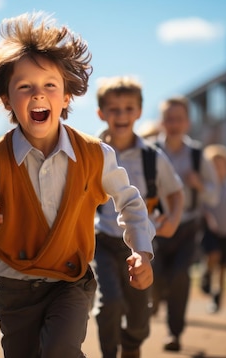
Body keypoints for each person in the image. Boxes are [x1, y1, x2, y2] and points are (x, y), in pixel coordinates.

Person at [0, 12, 155, 358]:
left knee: (60, 351)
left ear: (66, 97)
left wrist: (141, 251)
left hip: (70, 283)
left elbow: (129, 202)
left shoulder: (95, 155)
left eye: (50, 85)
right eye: (25, 87)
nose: (39, 94)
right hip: (13, 290)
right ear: (7, 100)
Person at [92, 76, 184, 358]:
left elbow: (175, 192)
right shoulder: (91, 153)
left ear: (139, 112)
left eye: (128, 108)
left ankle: (131, 345)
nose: (121, 115)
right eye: (114, 109)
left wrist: (174, 219)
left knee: (138, 313)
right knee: (109, 304)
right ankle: (109, 352)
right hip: (102, 241)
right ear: (101, 113)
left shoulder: (152, 157)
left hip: (140, 245)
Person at [150, 96, 219, 352]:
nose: (174, 123)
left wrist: (199, 184)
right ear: (161, 122)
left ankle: (174, 333)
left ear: (187, 122)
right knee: (154, 276)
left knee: (180, 275)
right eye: (169, 118)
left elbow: (214, 193)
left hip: (188, 225)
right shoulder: (150, 152)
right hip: (156, 225)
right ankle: (154, 300)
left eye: (179, 119)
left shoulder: (199, 155)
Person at [198, 144, 226, 313]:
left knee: (223, 266)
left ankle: (217, 296)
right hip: (210, 230)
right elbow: (201, 207)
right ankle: (206, 272)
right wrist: (208, 218)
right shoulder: (206, 188)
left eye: (222, 165)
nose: (218, 169)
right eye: (214, 166)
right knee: (214, 254)